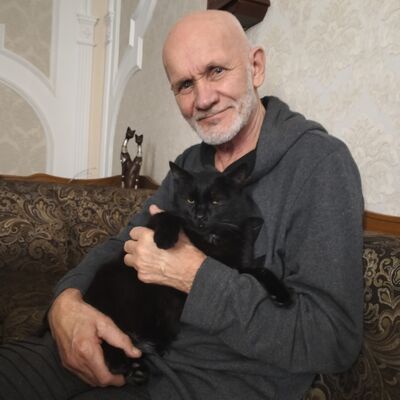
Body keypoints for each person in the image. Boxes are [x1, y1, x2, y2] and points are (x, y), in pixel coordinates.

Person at [0, 9, 364, 400]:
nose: (203, 99)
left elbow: (332, 339)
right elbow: (123, 243)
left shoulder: (319, 163)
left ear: (255, 67)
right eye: (185, 84)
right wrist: (66, 301)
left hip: (205, 383)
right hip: (129, 342)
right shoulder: (191, 165)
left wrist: (194, 275)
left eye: (216, 71)